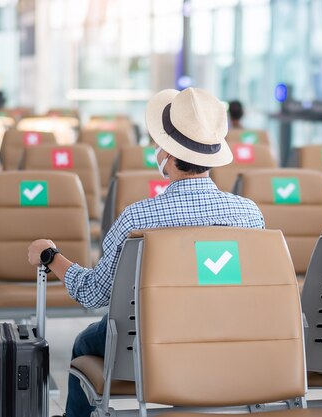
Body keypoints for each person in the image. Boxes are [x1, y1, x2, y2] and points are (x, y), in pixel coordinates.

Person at [27, 87, 265, 417]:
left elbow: (93, 293)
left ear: (166, 152)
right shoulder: (250, 215)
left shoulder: (139, 218)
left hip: (151, 341)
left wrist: (51, 256)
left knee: (85, 342)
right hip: (230, 338)